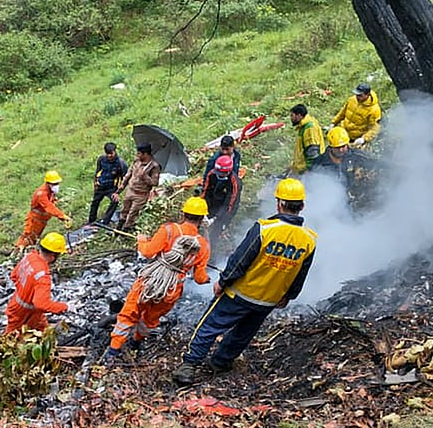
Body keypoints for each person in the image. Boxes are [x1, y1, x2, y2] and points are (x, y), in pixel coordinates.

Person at [172, 179, 316, 385]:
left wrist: (223, 281)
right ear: (301, 206)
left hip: (240, 293)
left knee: (210, 325)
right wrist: (289, 295)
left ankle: (189, 366)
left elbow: (241, 259)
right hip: (268, 299)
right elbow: (302, 272)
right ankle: (220, 362)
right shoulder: (309, 239)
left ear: (279, 203)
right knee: (243, 333)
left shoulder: (265, 229)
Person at [105, 197, 211, 363]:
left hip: (150, 282)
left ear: (183, 214)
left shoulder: (169, 230)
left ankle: (113, 352)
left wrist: (142, 241)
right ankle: (136, 343)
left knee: (128, 314)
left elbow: (148, 252)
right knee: (151, 319)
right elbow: (199, 278)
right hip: (171, 290)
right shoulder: (203, 245)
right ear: (202, 219)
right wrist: (206, 279)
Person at [5, 232, 70, 334]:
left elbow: (14, 275)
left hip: (28, 310)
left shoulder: (30, 257)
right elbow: (41, 304)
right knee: (12, 340)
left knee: (44, 333)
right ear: (54, 255)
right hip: (22, 313)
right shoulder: (43, 276)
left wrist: (25, 290)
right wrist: (62, 307)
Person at [16, 170, 72, 248]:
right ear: (48, 183)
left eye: (57, 183)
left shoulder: (50, 192)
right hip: (34, 221)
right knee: (28, 238)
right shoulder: (41, 194)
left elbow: (52, 204)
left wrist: (62, 219)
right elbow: (49, 207)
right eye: (54, 184)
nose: (57, 185)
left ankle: (27, 252)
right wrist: (62, 216)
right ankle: (17, 253)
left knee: (34, 239)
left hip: (42, 221)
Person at [115, 144, 161, 231]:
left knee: (132, 214)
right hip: (130, 191)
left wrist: (145, 176)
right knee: (124, 210)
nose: (137, 155)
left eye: (139, 153)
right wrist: (119, 190)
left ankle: (126, 230)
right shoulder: (136, 161)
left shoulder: (154, 166)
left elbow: (155, 183)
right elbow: (128, 176)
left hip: (141, 195)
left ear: (146, 154)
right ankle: (119, 227)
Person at [201, 155, 241, 239]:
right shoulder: (212, 174)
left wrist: (216, 218)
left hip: (227, 205)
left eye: (222, 173)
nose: (219, 175)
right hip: (214, 199)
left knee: (217, 228)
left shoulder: (234, 182)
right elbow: (205, 192)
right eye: (218, 172)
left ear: (228, 172)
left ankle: (213, 245)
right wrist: (203, 210)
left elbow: (230, 204)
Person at [89, 142, 128, 225]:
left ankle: (105, 221)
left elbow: (125, 180)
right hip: (101, 186)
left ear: (115, 151)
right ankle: (91, 221)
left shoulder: (121, 164)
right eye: (107, 154)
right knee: (95, 202)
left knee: (115, 201)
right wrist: (95, 184)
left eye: (111, 153)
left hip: (111, 188)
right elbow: (97, 172)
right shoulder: (101, 159)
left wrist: (118, 192)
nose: (109, 156)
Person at [288, 104, 325, 175]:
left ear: (299, 115)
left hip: (307, 170)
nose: (291, 118)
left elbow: (312, 152)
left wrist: (309, 171)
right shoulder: (304, 126)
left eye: (292, 115)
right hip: (302, 169)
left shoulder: (310, 128)